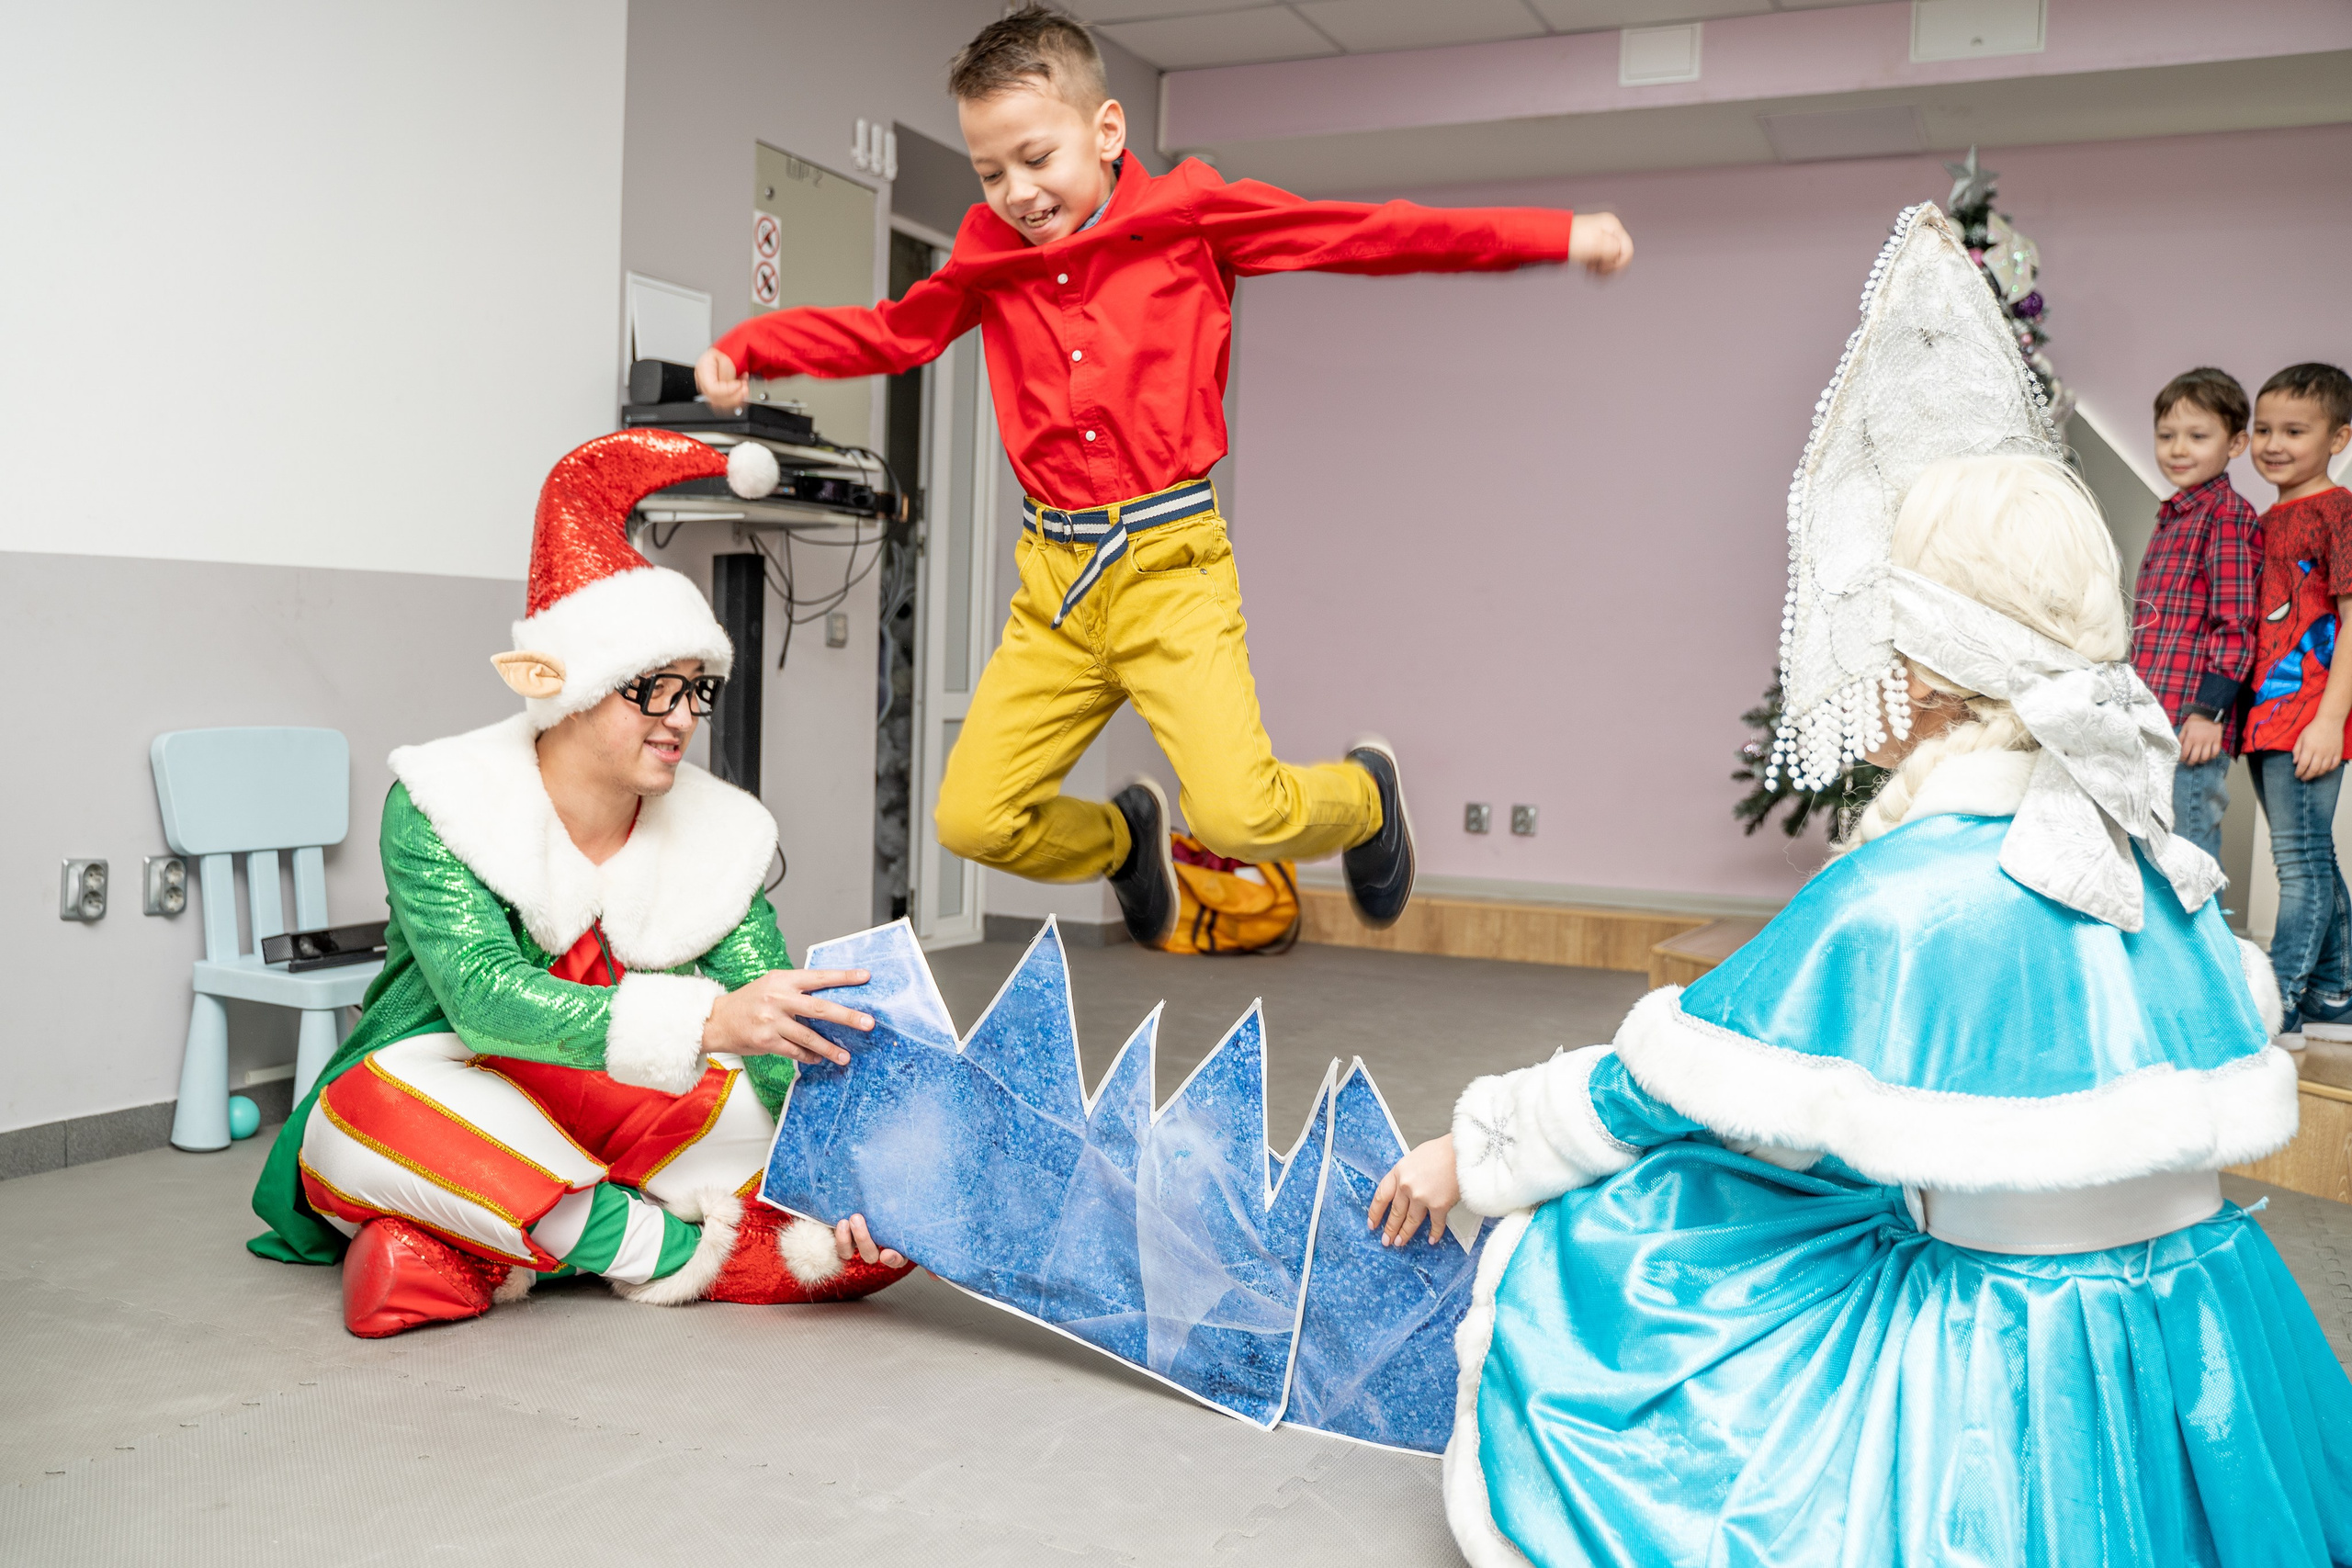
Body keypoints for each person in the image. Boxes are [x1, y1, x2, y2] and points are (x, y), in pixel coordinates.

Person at [1374, 455, 2349, 1565]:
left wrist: (1477, 1149)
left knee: (1639, 1215)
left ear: (1926, 675)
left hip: (2006, 1351)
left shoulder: (1900, 895)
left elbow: (1661, 1089)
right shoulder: (2166, 871)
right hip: (2207, 1320)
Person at [695, 4, 1633, 947]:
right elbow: (892, 332)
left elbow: (1367, 235)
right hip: (1055, 587)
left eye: (1036, 158)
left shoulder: (1189, 217)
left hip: (1170, 565)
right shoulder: (989, 257)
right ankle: (1123, 841)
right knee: (974, 821)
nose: (1017, 192)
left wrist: (1552, 235)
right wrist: (753, 346)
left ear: (1107, 131)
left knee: (1237, 819)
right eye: (991, 172)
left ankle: (1363, 800)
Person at [246, 430, 912, 1337]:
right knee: (365, 1108)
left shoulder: (718, 831)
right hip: (453, 1082)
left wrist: (843, 1171)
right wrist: (707, 1023)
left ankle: (487, 1241)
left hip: (614, 1108)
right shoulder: (445, 801)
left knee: (871, 1207)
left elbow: (766, 1027)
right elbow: (484, 1000)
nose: (682, 719)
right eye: (652, 690)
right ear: (565, 687)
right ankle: (666, 1247)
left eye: (696, 690)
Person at [2242, 362, 2352, 1038]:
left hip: (2310, 714)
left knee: (2298, 862)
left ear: (2339, 438)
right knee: (2311, 854)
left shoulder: (2340, 511)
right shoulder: (2265, 519)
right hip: (2265, 714)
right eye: (2264, 430)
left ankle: (2278, 1003)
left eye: (2294, 431)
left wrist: (2331, 719)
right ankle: (2335, 994)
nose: (2274, 444)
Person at [2130, 367, 2261, 861]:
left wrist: (2209, 712)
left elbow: (2236, 623)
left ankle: (2199, 921)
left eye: (2197, 436)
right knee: (2142, 844)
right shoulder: (2174, 516)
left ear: (2236, 443)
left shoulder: (2227, 516)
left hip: (2190, 723)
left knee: (2186, 849)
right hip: (2149, 713)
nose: (2178, 449)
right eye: (2167, 436)